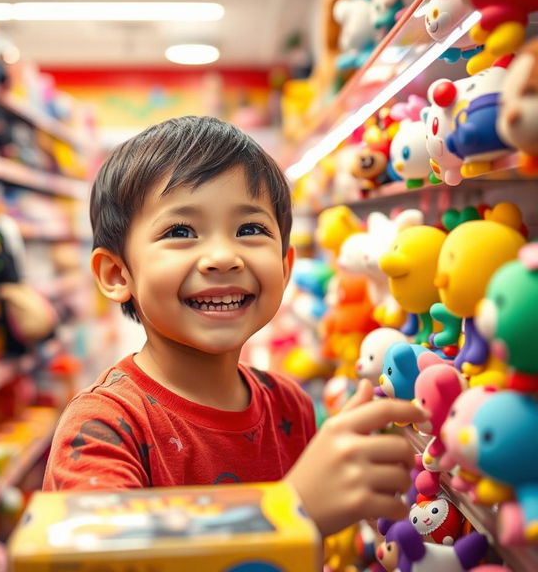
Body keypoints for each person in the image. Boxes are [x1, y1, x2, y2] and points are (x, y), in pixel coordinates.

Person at [42, 116, 426, 537]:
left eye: (250, 229)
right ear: (117, 274)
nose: (223, 257)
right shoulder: (105, 426)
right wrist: (291, 513)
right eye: (182, 231)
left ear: (285, 266)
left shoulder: (289, 406)